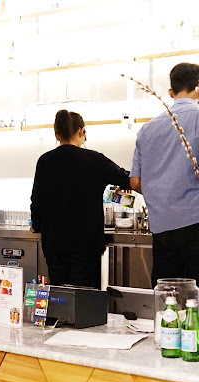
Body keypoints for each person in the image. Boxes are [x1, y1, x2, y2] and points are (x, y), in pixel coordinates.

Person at [30, 110, 130, 289]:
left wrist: (36, 225)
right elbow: (126, 178)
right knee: (85, 299)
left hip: (55, 247)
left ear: (56, 135)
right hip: (86, 246)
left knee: (60, 297)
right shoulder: (94, 159)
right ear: (81, 131)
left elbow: (37, 201)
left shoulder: (44, 161)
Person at [130, 62, 199, 288]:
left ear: (171, 92)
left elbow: (135, 182)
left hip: (162, 228)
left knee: (166, 296)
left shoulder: (147, 129)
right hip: (194, 222)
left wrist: (161, 195)